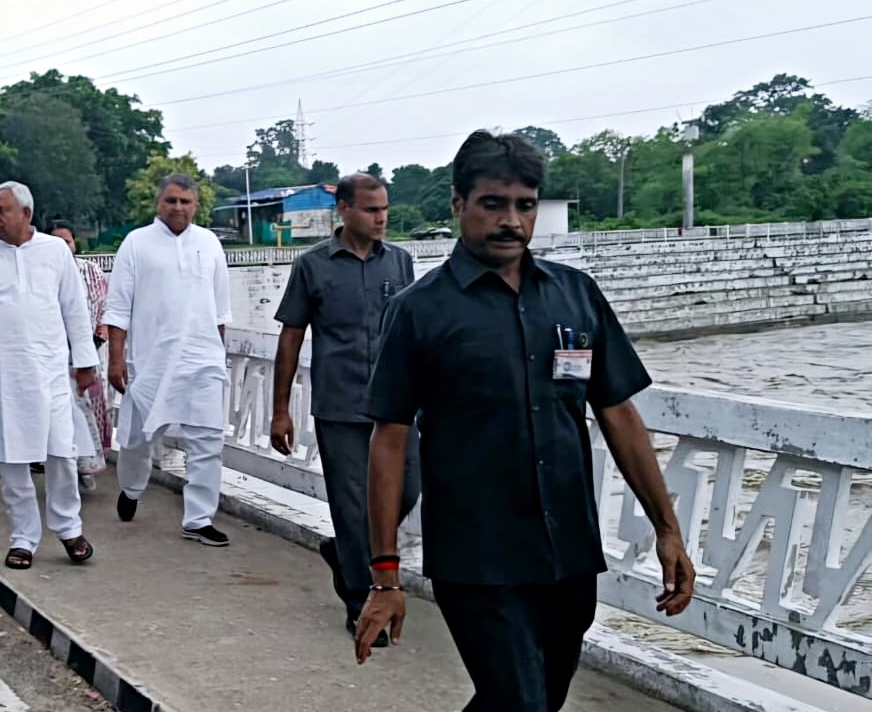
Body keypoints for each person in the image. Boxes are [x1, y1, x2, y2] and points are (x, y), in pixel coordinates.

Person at [354, 131, 695, 711]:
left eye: (525, 205)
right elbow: (388, 440)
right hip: (476, 555)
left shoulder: (575, 295)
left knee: (534, 700)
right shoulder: (419, 311)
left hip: (567, 547)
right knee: (523, 705)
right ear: (459, 204)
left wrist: (667, 528)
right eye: (493, 203)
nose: (511, 220)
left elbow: (618, 413)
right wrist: (385, 576)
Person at [270, 173, 421, 646]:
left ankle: (345, 552)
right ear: (344, 210)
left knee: (408, 491)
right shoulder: (313, 265)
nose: (381, 219)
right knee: (354, 507)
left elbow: (415, 334)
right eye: (371, 210)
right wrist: (280, 409)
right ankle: (360, 600)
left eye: (384, 210)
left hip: (396, 407)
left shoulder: (400, 262)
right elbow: (291, 336)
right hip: (341, 408)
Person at [0, 181, 98, 570]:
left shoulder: (54, 252)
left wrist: (84, 361)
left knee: (61, 453)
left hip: (49, 374)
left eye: (1, 211)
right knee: (11, 460)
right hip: (1, 377)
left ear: (26, 214)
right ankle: (23, 538)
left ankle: (69, 528)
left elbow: (75, 310)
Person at [104, 173, 233, 547]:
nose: (178, 208)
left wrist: (219, 354)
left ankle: (198, 519)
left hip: (203, 359)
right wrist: (116, 360)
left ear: (196, 205)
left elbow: (221, 309)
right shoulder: (136, 244)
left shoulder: (209, 243)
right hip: (152, 361)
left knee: (208, 440)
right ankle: (130, 488)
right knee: (136, 438)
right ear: (159, 203)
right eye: (171, 201)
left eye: (186, 202)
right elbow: (118, 308)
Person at [51, 220, 111, 493]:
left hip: (88, 353)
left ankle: (86, 467)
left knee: (91, 410)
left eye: (68, 241)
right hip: (53, 355)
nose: (64, 246)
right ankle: (65, 468)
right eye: (57, 242)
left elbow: (106, 309)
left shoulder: (92, 272)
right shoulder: (44, 273)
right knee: (60, 415)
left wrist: (99, 335)